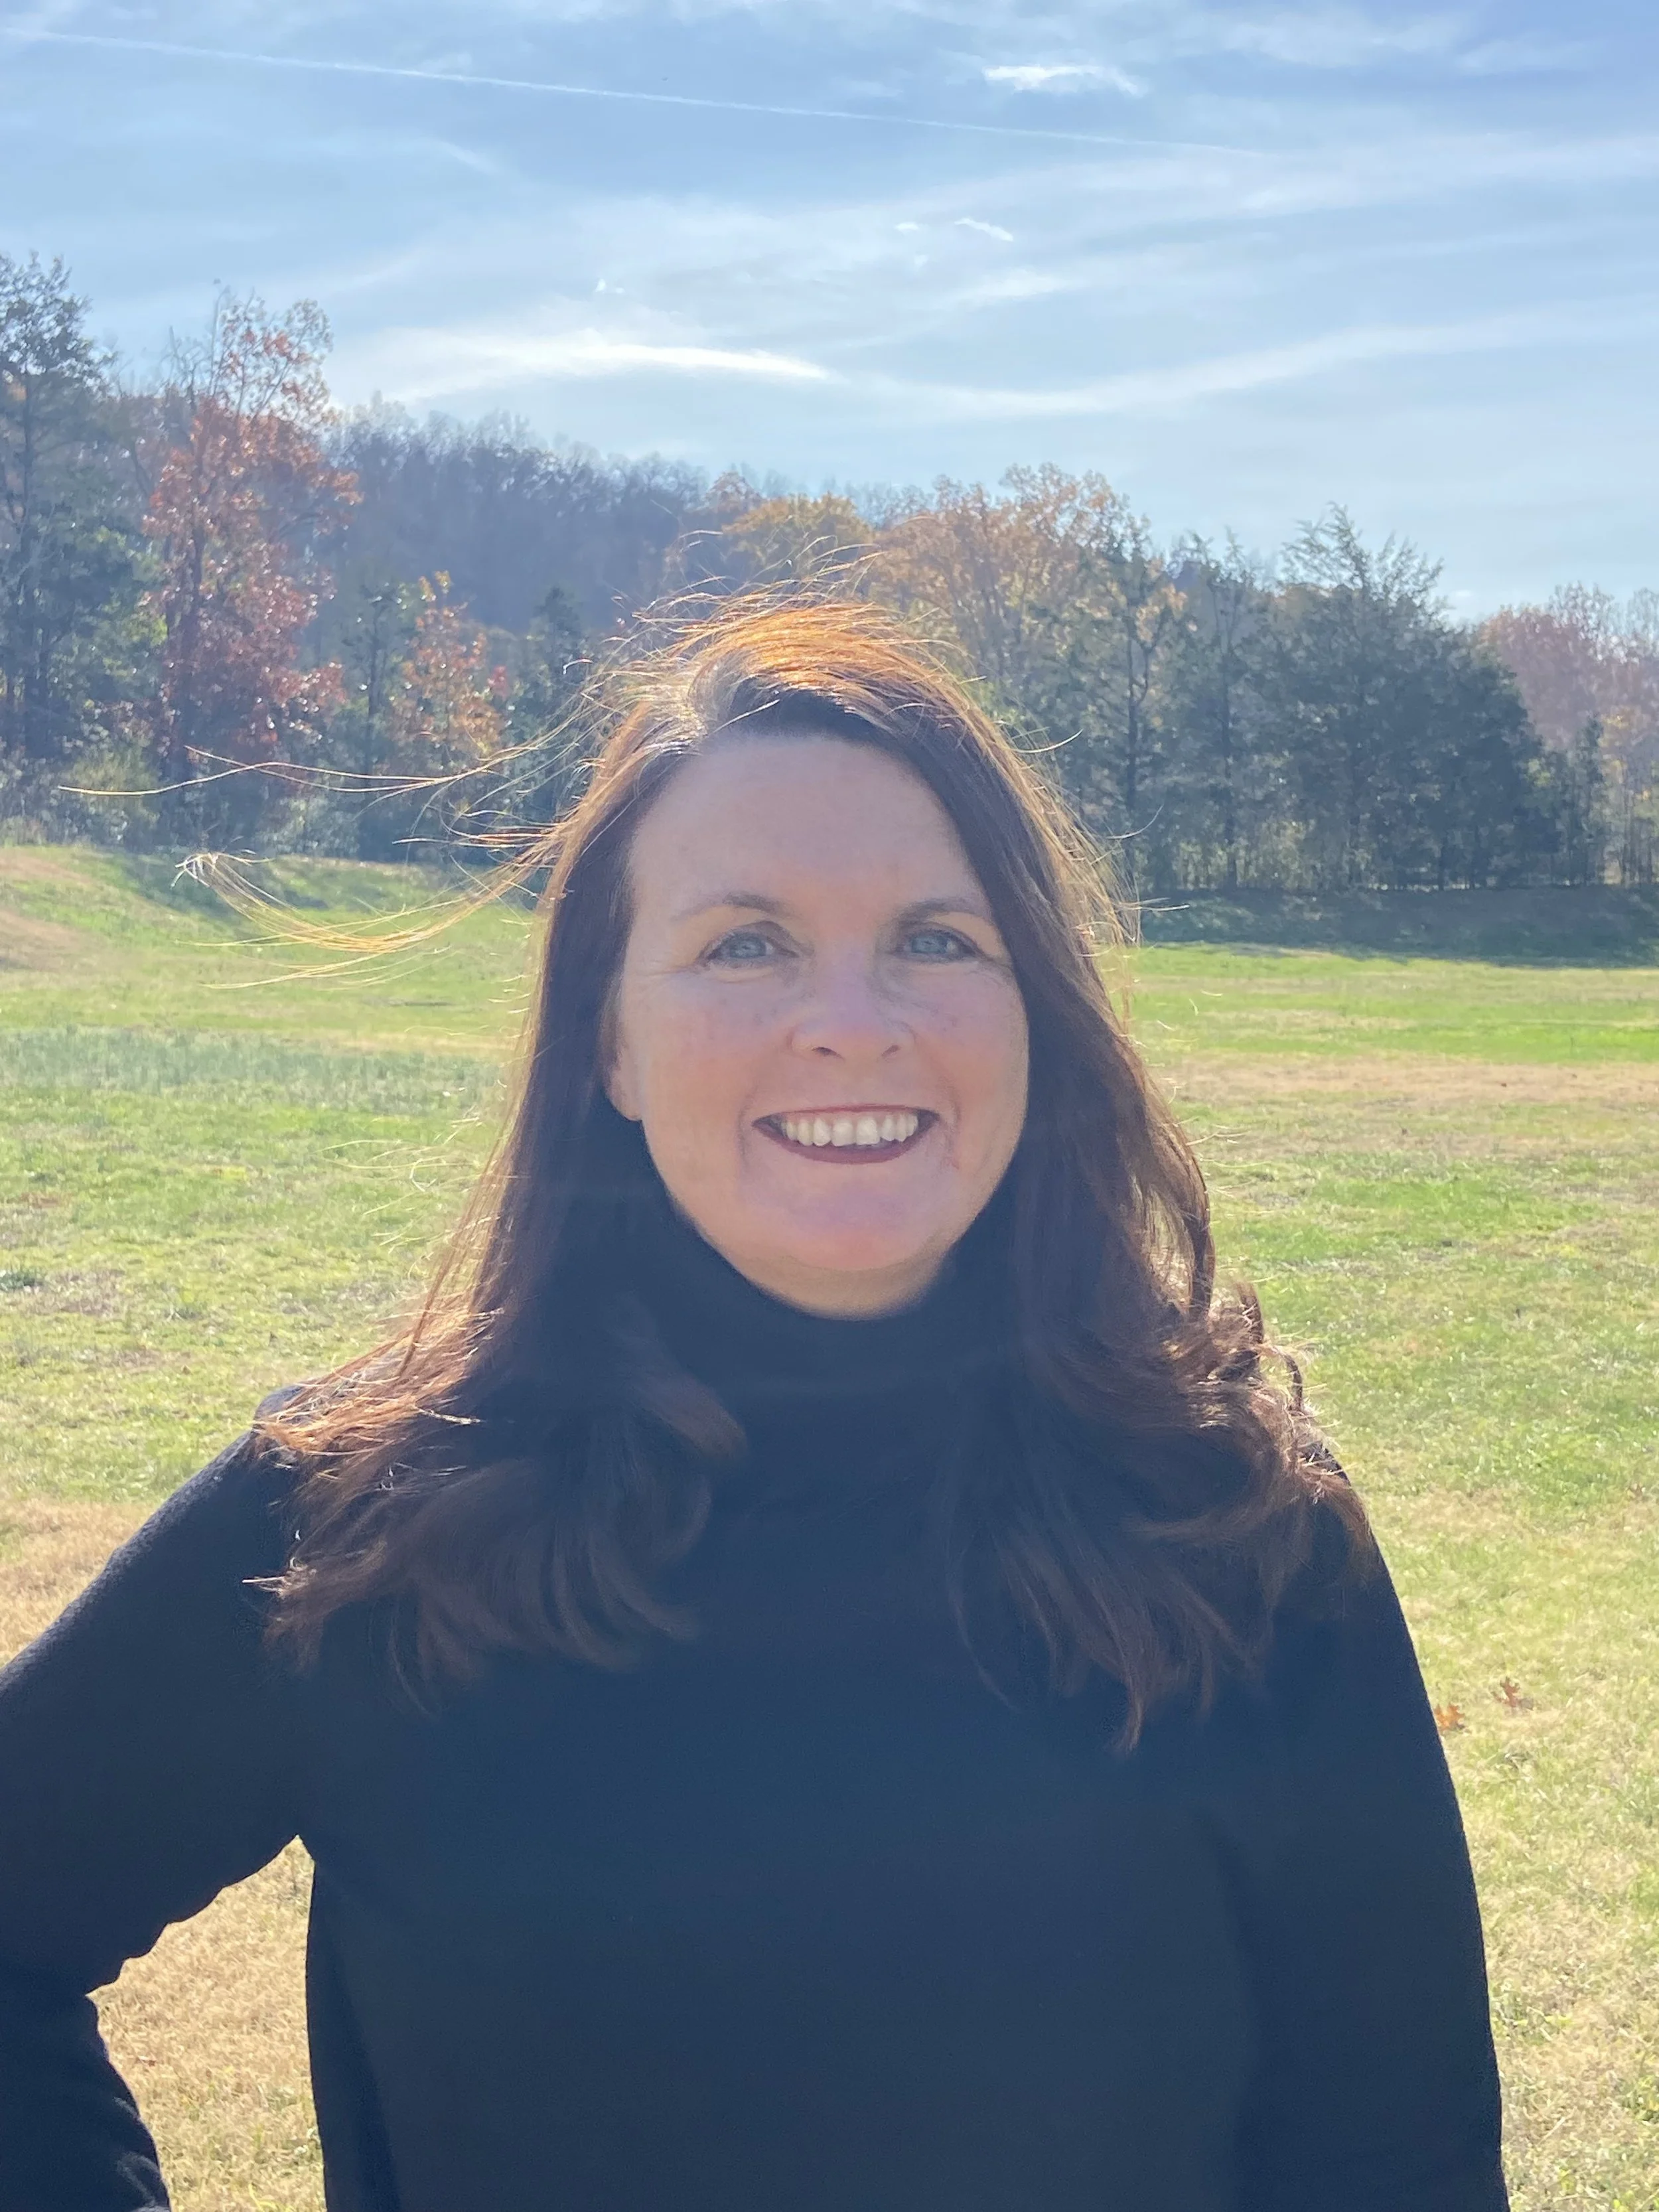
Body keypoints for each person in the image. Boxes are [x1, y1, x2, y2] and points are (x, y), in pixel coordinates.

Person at [0, 601, 1506, 2211]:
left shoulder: (1239, 1525)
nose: (851, 1018)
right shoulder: (358, 1522)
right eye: (744, 942)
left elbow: (1394, 2153)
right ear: (612, 1044)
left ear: (1033, 1011)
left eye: (936, 937)